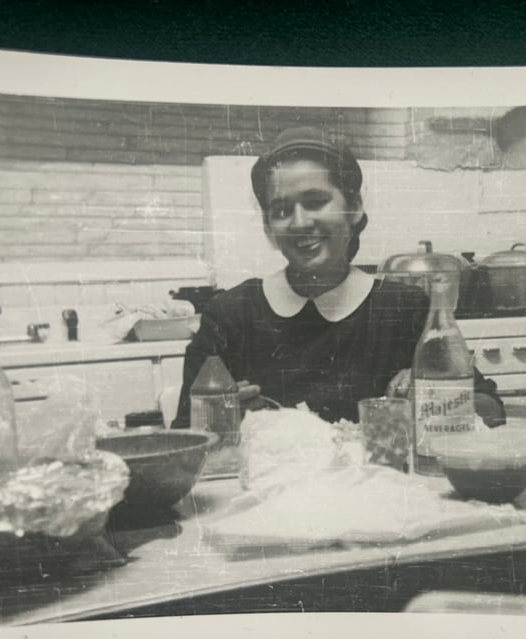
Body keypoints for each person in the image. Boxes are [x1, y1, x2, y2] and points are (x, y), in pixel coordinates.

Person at [172, 126, 504, 427]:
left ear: (355, 206)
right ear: (267, 227)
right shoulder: (230, 314)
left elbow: (491, 408)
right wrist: (219, 420)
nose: (300, 222)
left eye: (316, 202)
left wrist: (439, 399)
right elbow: (184, 435)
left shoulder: (403, 308)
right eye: (282, 210)